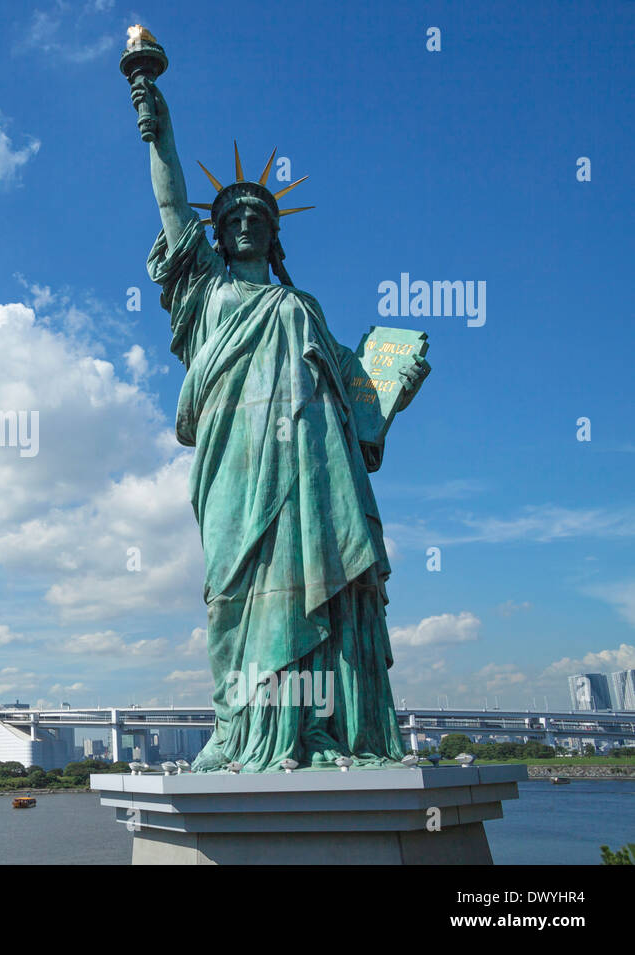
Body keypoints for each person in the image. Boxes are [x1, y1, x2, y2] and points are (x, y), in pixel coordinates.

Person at [132, 78, 429, 771]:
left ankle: (315, 732)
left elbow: (359, 402)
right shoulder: (204, 290)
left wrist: (393, 386)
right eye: (232, 216)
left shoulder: (304, 307)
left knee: (314, 580)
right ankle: (242, 730)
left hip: (312, 475)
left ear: (272, 233)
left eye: (257, 218)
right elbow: (172, 198)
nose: (244, 223)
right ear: (218, 231)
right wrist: (154, 117)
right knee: (233, 593)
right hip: (233, 464)